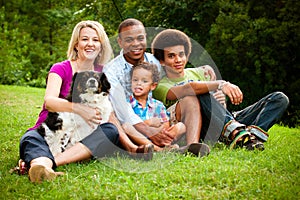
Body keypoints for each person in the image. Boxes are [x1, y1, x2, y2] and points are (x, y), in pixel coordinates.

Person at [18, 20, 120, 183]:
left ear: (101, 46)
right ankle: (40, 167)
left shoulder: (102, 74)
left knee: (110, 131)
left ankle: (45, 164)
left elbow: (109, 111)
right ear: (76, 44)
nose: (90, 44)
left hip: (82, 137)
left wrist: (132, 146)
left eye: (95, 40)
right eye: (85, 39)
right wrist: (79, 109)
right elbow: (50, 101)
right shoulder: (60, 68)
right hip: (51, 131)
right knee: (32, 138)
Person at [151, 29, 288, 150]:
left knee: (279, 98)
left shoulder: (201, 72)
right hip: (204, 128)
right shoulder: (160, 86)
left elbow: (220, 106)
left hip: (225, 120)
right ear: (161, 61)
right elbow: (189, 88)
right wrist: (221, 84)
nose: (178, 59)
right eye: (171, 56)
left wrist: (220, 99)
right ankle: (238, 133)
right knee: (197, 92)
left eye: (181, 54)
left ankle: (250, 137)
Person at [104, 18, 208, 155]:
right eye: (129, 40)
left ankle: (192, 147)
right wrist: (148, 131)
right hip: (132, 127)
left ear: (145, 38)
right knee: (126, 126)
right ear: (120, 42)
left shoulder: (154, 62)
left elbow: (175, 71)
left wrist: (202, 70)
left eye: (140, 38)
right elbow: (122, 110)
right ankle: (159, 150)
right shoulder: (111, 71)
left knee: (190, 100)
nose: (136, 44)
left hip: (156, 118)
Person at [126, 61, 186, 151]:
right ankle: (158, 149)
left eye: (144, 81)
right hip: (139, 139)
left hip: (159, 137)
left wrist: (159, 131)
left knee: (181, 126)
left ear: (153, 86)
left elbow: (166, 125)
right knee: (127, 127)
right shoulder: (127, 104)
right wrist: (149, 123)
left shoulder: (158, 105)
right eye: (135, 80)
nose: (138, 83)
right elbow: (130, 126)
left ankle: (166, 145)